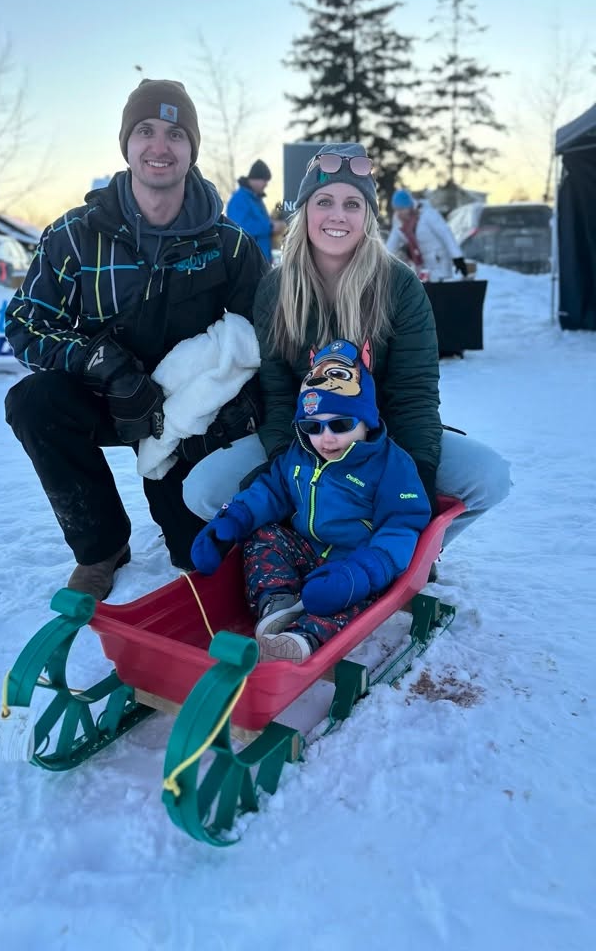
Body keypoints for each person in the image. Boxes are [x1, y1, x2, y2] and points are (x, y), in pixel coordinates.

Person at [4, 78, 268, 600]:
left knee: (197, 557)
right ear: (126, 143)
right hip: (110, 399)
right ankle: (100, 547)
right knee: (33, 403)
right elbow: (25, 323)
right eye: (145, 131)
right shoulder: (72, 236)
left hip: (187, 420)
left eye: (175, 134)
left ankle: (190, 520)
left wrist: (243, 412)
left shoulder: (229, 244)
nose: (159, 146)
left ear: (192, 149)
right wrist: (103, 366)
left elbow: (265, 340)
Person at [182, 142, 510, 549]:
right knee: (202, 490)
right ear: (304, 211)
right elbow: (279, 393)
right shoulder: (275, 290)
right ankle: (296, 548)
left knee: (489, 477)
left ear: (369, 217)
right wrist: (289, 469)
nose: (338, 215)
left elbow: (413, 395)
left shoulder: (400, 286)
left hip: (385, 441)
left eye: (353, 204)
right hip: (308, 436)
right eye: (324, 201)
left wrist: (415, 495)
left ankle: (402, 555)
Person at [191, 340, 430, 662]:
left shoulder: (391, 465)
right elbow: (272, 491)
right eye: (312, 427)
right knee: (264, 536)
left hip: (355, 562)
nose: (326, 438)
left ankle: (303, 638)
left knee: (360, 598)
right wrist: (231, 520)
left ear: (366, 421)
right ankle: (277, 602)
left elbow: (403, 525)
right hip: (306, 549)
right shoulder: (301, 454)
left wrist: (363, 572)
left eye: (341, 424)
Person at [386, 189, 468, 282]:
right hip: (423, 265)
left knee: (441, 291)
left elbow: (446, 234)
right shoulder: (399, 223)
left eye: (402, 209)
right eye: (397, 209)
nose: (399, 213)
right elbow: (391, 245)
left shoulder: (427, 214)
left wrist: (457, 257)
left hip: (440, 261)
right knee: (426, 292)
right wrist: (380, 262)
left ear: (409, 206)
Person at [226, 160, 282, 263]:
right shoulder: (239, 199)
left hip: (262, 261)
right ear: (256, 178)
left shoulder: (256, 199)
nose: (266, 184)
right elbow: (239, 228)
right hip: (249, 263)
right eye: (264, 180)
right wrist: (270, 227)